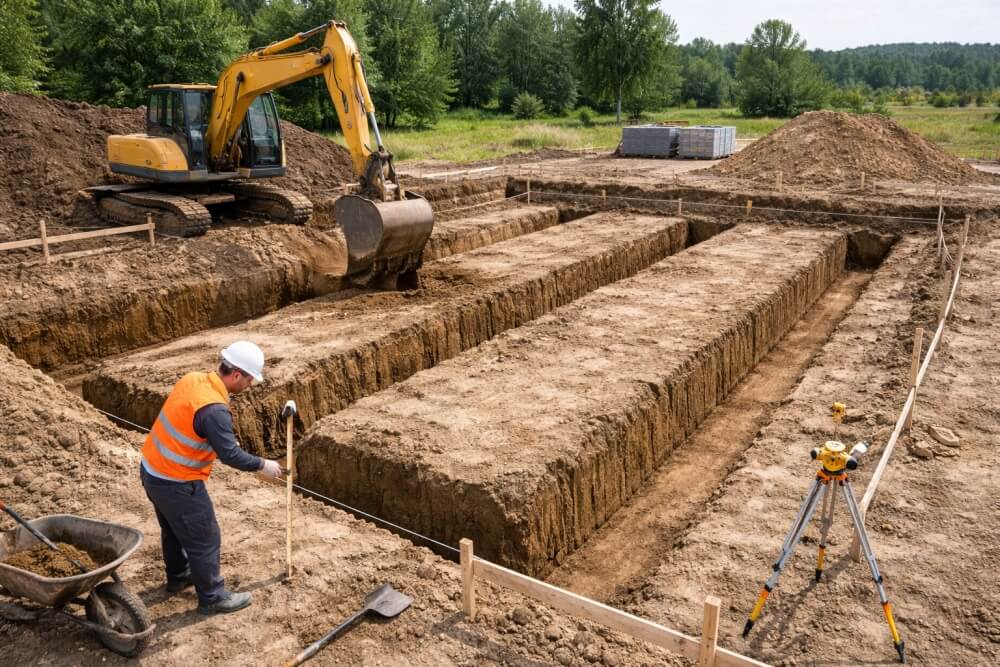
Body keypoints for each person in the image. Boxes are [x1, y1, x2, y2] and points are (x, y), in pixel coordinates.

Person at [139, 340, 283, 615]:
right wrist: (263, 465)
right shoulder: (214, 410)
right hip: (177, 482)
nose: (250, 386)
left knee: (173, 528)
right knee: (205, 538)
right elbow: (229, 454)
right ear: (237, 374)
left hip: (152, 471)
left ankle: (179, 576)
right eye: (250, 379)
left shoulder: (194, 379)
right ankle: (213, 597)